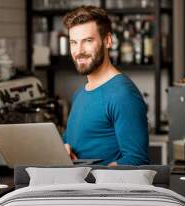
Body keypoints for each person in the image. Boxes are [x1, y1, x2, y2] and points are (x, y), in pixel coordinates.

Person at [61, 6, 149, 166]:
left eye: (87, 41)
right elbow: (70, 140)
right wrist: (64, 149)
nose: (78, 51)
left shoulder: (123, 94)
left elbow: (136, 160)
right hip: (76, 187)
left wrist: (101, 176)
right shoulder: (80, 94)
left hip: (102, 190)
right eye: (73, 42)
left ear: (108, 41)